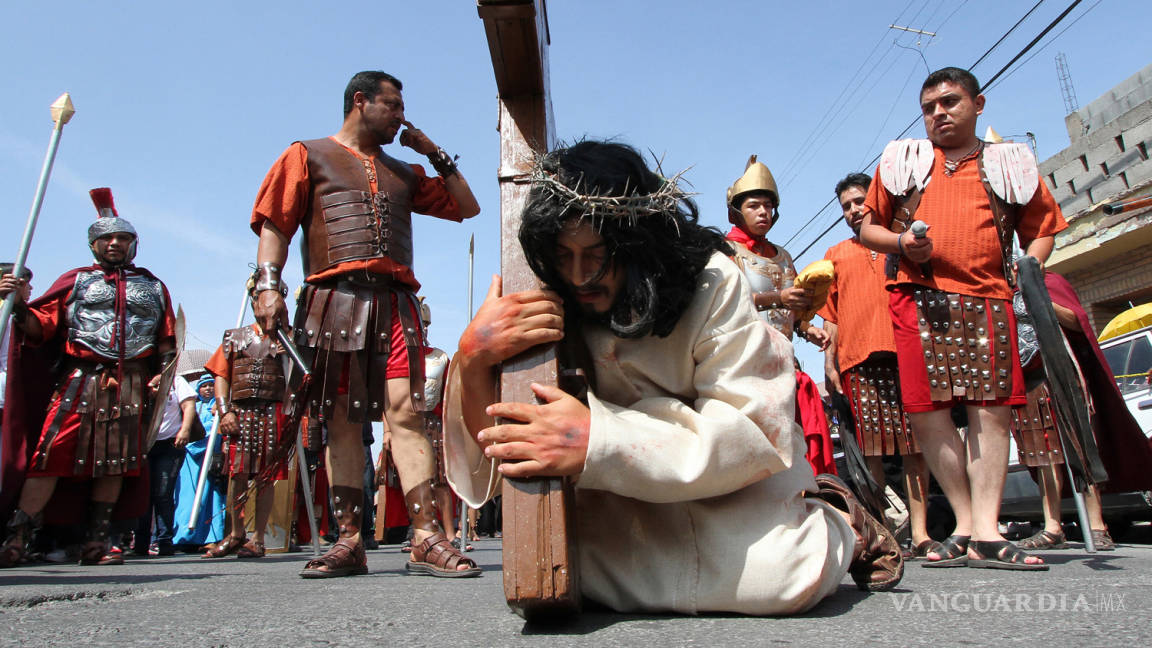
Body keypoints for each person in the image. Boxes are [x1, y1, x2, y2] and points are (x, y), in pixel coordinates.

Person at [444, 141, 902, 615]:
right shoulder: (546, 291)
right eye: (564, 256)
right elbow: (499, 458)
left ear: (637, 242)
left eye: (599, 253)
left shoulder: (712, 281)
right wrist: (475, 360)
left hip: (726, 487)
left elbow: (752, 429)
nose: (580, 276)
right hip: (611, 503)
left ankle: (838, 517)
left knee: (779, 579)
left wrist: (600, 440)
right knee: (560, 566)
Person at [249, 70, 481, 578]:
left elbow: (467, 206)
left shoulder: (403, 170)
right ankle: (350, 539)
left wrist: (432, 150)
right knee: (343, 418)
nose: (401, 116)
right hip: (335, 300)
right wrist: (268, 285)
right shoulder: (306, 154)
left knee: (407, 413)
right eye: (394, 106)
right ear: (361, 101)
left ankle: (425, 537)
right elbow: (275, 223)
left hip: (396, 303)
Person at [859, 67, 1067, 570]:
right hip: (915, 295)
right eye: (929, 107)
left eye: (950, 102)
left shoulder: (1009, 162)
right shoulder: (901, 162)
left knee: (990, 412)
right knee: (929, 415)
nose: (938, 114)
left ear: (979, 103)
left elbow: (1043, 228)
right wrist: (902, 242)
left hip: (990, 297)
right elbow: (868, 228)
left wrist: (1031, 265)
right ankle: (967, 524)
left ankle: (990, 532)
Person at [0, 188, 177, 567]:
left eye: (123, 238)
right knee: (49, 455)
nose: (115, 243)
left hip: (130, 384)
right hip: (80, 379)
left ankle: (97, 541)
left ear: (134, 244)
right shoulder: (76, 281)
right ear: (94, 244)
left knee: (115, 461)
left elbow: (165, 340)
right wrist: (16, 302)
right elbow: (39, 328)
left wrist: (161, 378)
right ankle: (18, 536)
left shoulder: (153, 285)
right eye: (107, 238)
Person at [820, 173, 935, 558]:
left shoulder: (902, 245)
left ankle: (921, 534)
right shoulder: (835, 254)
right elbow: (830, 317)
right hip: (858, 360)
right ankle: (883, 534)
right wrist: (829, 363)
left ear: (875, 201)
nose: (853, 211)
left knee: (915, 448)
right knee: (870, 452)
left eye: (858, 202)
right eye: (846, 207)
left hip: (907, 355)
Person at [1011, 269, 1152, 551]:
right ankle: (1053, 527)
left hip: (1063, 373)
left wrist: (1040, 300)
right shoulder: (1000, 290)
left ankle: (1097, 525)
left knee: (1081, 448)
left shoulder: (1048, 280)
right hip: (1030, 380)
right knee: (1043, 453)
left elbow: (1077, 321)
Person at [200, 321, 290, 559]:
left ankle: (258, 539)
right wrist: (224, 410)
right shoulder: (234, 336)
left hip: (273, 410)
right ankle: (236, 534)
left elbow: (302, 374)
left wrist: (289, 352)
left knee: (266, 477)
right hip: (241, 411)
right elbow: (221, 374)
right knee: (237, 474)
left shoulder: (289, 336)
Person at [724, 157, 830, 347]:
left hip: (783, 356)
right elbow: (728, 301)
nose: (763, 211)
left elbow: (792, 309)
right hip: (740, 357)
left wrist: (807, 329)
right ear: (735, 212)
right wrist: (778, 298)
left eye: (768, 205)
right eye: (753, 206)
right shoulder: (725, 251)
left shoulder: (784, 256)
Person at [132, 375, 196, 556]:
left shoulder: (177, 381)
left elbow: (189, 404)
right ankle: (141, 543)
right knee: (143, 493)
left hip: (170, 443)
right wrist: (149, 388)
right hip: (144, 443)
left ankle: (164, 541)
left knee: (163, 494)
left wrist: (185, 430)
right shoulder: (142, 374)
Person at [0, 264, 33, 471]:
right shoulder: (5, 313)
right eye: (26, 284)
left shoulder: (21, 316)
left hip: (11, 396)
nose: (30, 289)